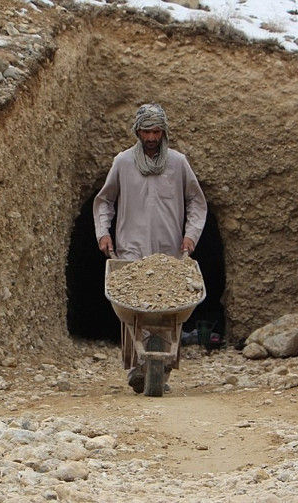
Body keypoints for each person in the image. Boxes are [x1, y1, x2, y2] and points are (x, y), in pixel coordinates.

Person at [93, 103, 208, 393]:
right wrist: (102, 233)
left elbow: (196, 201)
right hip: (130, 248)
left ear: (164, 131)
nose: (152, 137)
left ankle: (160, 368)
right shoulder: (123, 162)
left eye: (157, 131)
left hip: (168, 250)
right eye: (146, 131)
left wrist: (191, 235)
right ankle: (139, 366)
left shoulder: (178, 163)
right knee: (135, 310)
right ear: (137, 131)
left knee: (168, 312)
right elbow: (105, 200)